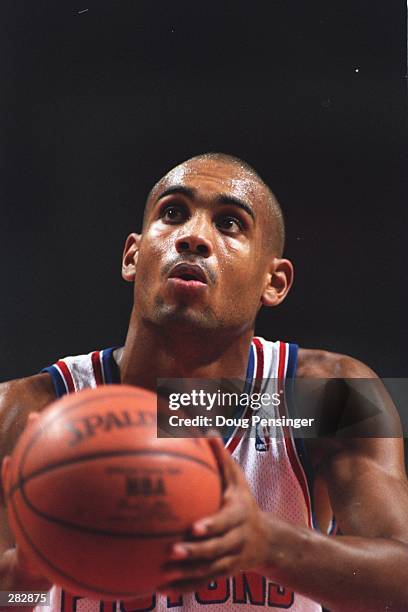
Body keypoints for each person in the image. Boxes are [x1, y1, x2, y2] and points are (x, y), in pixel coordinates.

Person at [1, 152, 408, 612]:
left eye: (231, 223)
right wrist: (19, 581)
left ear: (273, 282)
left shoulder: (330, 395)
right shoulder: (23, 411)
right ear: (133, 256)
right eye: (172, 213)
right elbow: (11, 595)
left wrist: (269, 544)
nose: (193, 237)